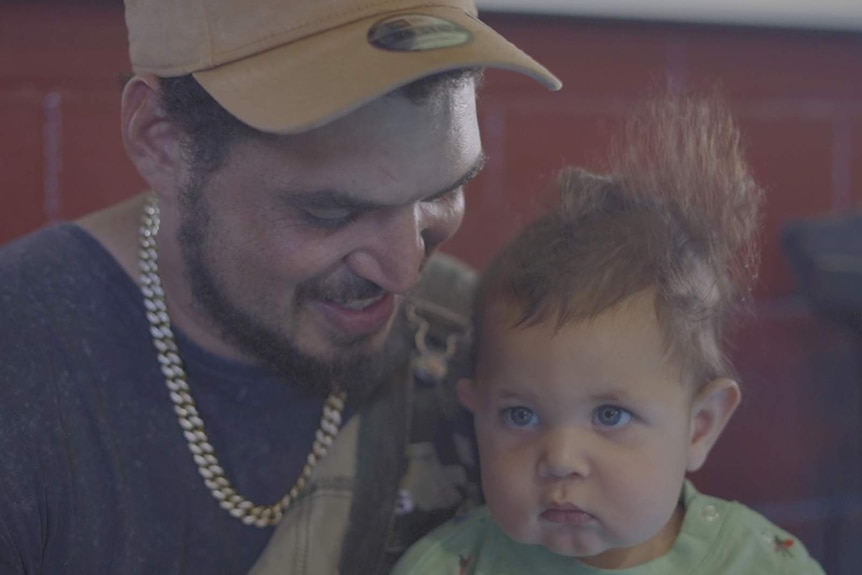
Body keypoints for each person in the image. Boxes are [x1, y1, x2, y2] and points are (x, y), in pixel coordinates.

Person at [0, 0, 561, 574]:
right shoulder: (23, 370)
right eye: (331, 210)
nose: (404, 273)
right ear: (163, 142)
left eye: (442, 191)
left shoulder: (492, 350)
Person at [392, 93, 828, 574]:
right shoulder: (449, 566)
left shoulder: (762, 566)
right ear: (476, 416)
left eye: (610, 415)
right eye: (519, 414)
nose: (559, 459)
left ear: (699, 426)